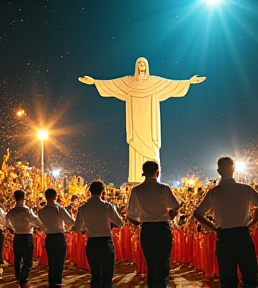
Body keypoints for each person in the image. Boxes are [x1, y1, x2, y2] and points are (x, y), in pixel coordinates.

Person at [78, 57, 206, 183]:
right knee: (135, 150)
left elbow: (171, 84)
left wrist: (188, 82)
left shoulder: (155, 83)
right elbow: (112, 84)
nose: (141, 67)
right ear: (136, 67)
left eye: (143, 65)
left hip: (150, 125)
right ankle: (136, 178)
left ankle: (154, 178)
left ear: (147, 66)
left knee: (152, 149)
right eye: (139, 65)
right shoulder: (128, 82)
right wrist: (95, 82)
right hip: (135, 124)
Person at [194, 156, 258, 288]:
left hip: (224, 237)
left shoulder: (214, 193)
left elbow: (198, 213)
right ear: (233, 169)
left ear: (218, 170)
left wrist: (213, 227)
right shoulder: (244, 189)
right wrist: (253, 222)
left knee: (228, 278)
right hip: (242, 235)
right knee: (249, 275)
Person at [127, 161, 180, 288]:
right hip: (162, 229)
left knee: (151, 266)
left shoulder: (136, 190)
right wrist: (169, 217)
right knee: (163, 266)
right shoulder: (163, 189)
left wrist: (140, 223)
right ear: (157, 172)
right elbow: (175, 206)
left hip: (147, 230)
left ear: (144, 172)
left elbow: (130, 215)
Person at [72, 181, 123, 288]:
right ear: (102, 191)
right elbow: (120, 223)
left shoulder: (83, 208)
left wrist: (86, 229)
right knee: (107, 275)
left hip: (92, 242)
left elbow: (77, 228)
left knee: (95, 274)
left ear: (89, 191)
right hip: (105, 242)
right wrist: (109, 225)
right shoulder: (107, 206)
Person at [6, 190, 43, 288]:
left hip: (17, 236)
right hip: (27, 236)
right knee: (28, 260)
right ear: (24, 198)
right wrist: (33, 225)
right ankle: (23, 280)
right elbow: (38, 222)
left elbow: (6, 223)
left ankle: (18, 277)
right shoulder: (27, 210)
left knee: (17, 259)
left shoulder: (11, 211)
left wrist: (12, 230)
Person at [38, 188, 75, 288]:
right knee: (59, 261)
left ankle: (51, 281)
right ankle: (57, 281)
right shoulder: (59, 208)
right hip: (59, 237)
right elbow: (71, 222)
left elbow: (39, 226)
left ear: (45, 197)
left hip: (49, 237)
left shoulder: (41, 212)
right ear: (55, 196)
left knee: (51, 261)